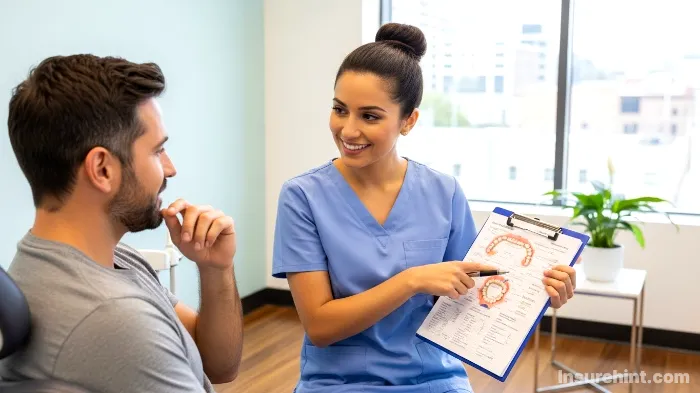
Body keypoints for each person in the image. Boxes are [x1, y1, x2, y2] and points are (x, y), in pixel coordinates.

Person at [271, 23, 578, 393]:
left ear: (409, 121)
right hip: (337, 382)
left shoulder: (442, 192)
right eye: (340, 109)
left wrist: (538, 293)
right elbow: (319, 327)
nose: (348, 130)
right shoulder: (302, 197)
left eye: (369, 116)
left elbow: (472, 297)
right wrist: (411, 280)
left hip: (433, 379)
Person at [0, 54, 243, 393]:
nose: (170, 169)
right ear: (102, 169)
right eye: (157, 151)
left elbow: (218, 366)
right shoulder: (113, 318)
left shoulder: (101, 261)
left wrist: (216, 269)